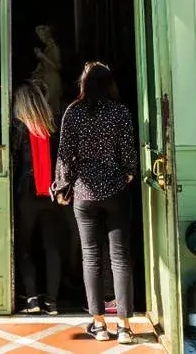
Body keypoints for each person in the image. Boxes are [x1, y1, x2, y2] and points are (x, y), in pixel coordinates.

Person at [51, 62, 138, 344]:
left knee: (91, 256)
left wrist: (62, 186)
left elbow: (64, 155)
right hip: (115, 191)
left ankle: (99, 325)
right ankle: (124, 327)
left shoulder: (73, 112)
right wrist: (127, 174)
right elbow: (129, 154)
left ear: (84, 84)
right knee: (120, 257)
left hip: (84, 194)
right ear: (110, 84)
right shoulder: (120, 112)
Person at [11, 79, 63, 316]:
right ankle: (52, 302)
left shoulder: (18, 127)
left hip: (26, 192)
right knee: (52, 247)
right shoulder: (52, 127)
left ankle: (32, 298)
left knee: (23, 246)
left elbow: (12, 161)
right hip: (50, 192)